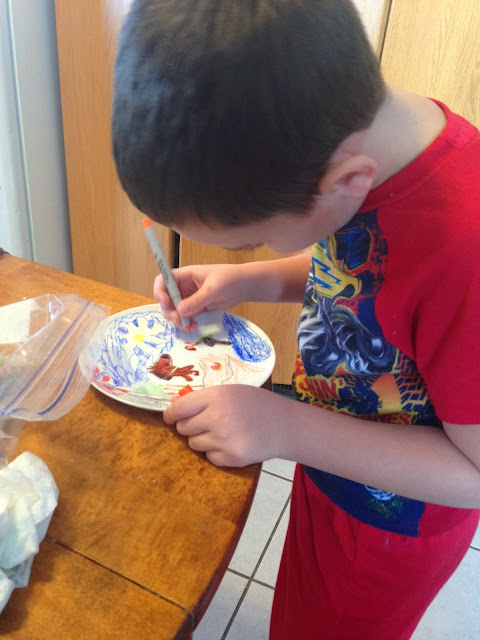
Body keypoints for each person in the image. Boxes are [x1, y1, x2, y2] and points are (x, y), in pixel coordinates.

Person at [111, 1, 480, 638]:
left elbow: (473, 474)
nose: (252, 252)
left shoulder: (465, 252)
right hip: (336, 462)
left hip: (388, 529)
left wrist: (287, 427)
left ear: (348, 180)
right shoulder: (359, 144)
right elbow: (365, 274)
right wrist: (250, 280)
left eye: (255, 240)